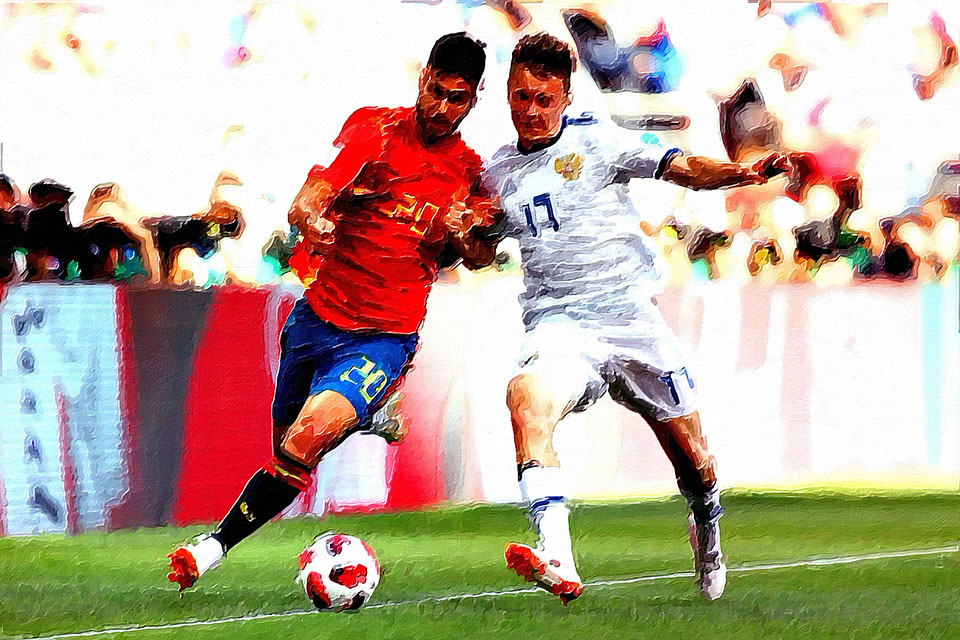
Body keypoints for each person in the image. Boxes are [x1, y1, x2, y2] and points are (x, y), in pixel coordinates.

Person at [166, 32, 498, 594]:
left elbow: (481, 255)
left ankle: (209, 548)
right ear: (422, 78)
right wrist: (312, 218)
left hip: (384, 337)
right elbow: (311, 196)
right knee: (285, 454)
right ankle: (367, 413)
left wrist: (464, 235)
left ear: (474, 98)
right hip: (316, 320)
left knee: (303, 443)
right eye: (437, 91)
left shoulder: (469, 172)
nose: (443, 107)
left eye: (457, 98)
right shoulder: (375, 130)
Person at [480, 33, 787, 603]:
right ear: (508, 92)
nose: (531, 110)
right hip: (560, 325)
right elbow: (476, 248)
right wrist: (461, 237)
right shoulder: (496, 175)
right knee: (526, 398)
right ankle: (557, 555)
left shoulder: (598, 140)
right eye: (521, 96)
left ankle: (707, 527)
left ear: (566, 97)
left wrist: (740, 173)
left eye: (544, 99)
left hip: (631, 320)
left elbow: (680, 168)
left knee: (695, 464)